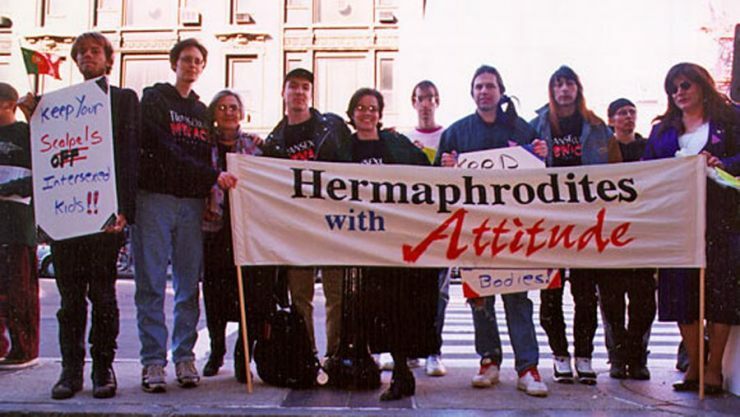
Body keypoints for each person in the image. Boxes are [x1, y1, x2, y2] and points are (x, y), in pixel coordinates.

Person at [435, 65, 549, 397]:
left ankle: (527, 367)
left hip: (513, 233)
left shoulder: (522, 129)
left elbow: (542, 178)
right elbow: (435, 183)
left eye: (490, 86)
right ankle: (489, 361)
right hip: (473, 232)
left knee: (517, 299)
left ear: (500, 92)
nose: (485, 91)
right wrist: (444, 168)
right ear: (472, 93)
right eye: (479, 86)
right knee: (479, 299)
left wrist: (542, 155)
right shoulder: (456, 133)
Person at [134, 38, 238, 393]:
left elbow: (213, 153)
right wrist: (211, 178)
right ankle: (152, 362)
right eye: (186, 59)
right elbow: (164, 147)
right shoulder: (154, 98)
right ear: (174, 62)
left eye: (197, 61)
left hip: (192, 204)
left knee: (187, 285)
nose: (191, 65)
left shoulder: (201, 111)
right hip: (155, 199)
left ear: (202, 67)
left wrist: (209, 190)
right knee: (150, 283)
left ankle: (183, 357)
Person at [643, 62, 739, 395]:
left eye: (686, 85)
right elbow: (648, 169)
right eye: (674, 88)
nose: (680, 92)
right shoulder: (663, 130)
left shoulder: (731, 120)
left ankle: (714, 370)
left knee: (721, 293)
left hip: (723, 219)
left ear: (701, 85)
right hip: (678, 221)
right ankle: (695, 365)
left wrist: (722, 164)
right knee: (682, 294)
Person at [341, 87, 437, 401]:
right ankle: (389, 369)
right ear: (352, 113)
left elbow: (427, 175)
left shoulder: (396, 143)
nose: (367, 113)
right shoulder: (344, 147)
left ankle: (401, 372)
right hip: (364, 243)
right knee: (376, 310)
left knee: (400, 308)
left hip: (398, 241)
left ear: (380, 115)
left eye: (373, 108)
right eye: (361, 108)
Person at [260, 68, 351, 359]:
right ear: (283, 93)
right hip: (297, 229)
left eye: (305, 87)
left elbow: (354, 161)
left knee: (337, 295)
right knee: (300, 296)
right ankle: (307, 354)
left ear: (311, 94)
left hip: (333, 225)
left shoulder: (332, 127)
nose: (299, 92)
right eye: (293, 87)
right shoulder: (274, 141)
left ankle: (335, 355)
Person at [530, 65, 611, 385]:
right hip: (549, 221)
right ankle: (560, 356)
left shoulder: (596, 126)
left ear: (578, 88)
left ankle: (584, 357)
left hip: (586, 221)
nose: (564, 90)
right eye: (558, 84)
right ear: (552, 90)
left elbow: (613, 169)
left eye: (569, 84)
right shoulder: (537, 125)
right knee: (550, 293)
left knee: (585, 294)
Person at [201, 90, 261, 383]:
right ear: (214, 112)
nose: (228, 112)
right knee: (214, 293)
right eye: (222, 107)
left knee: (247, 295)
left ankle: (243, 357)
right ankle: (216, 350)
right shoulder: (201, 144)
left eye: (234, 107)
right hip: (212, 227)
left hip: (244, 228)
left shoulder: (253, 145)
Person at [598, 98, 656, 380]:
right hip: (610, 237)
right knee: (611, 301)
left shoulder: (649, 149)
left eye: (632, 112)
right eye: (622, 113)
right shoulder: (601, 152)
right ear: (611, 120)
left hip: (643, 236)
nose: (628, 117)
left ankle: (638, 356)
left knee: (644, 300)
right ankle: (618, 357)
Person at [0, 83, 38, 372]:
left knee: (19, 290)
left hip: (18, 223)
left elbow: (40, 176)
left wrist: (5, 188)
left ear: (9, 105)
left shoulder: (27, 135)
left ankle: (24, 347)